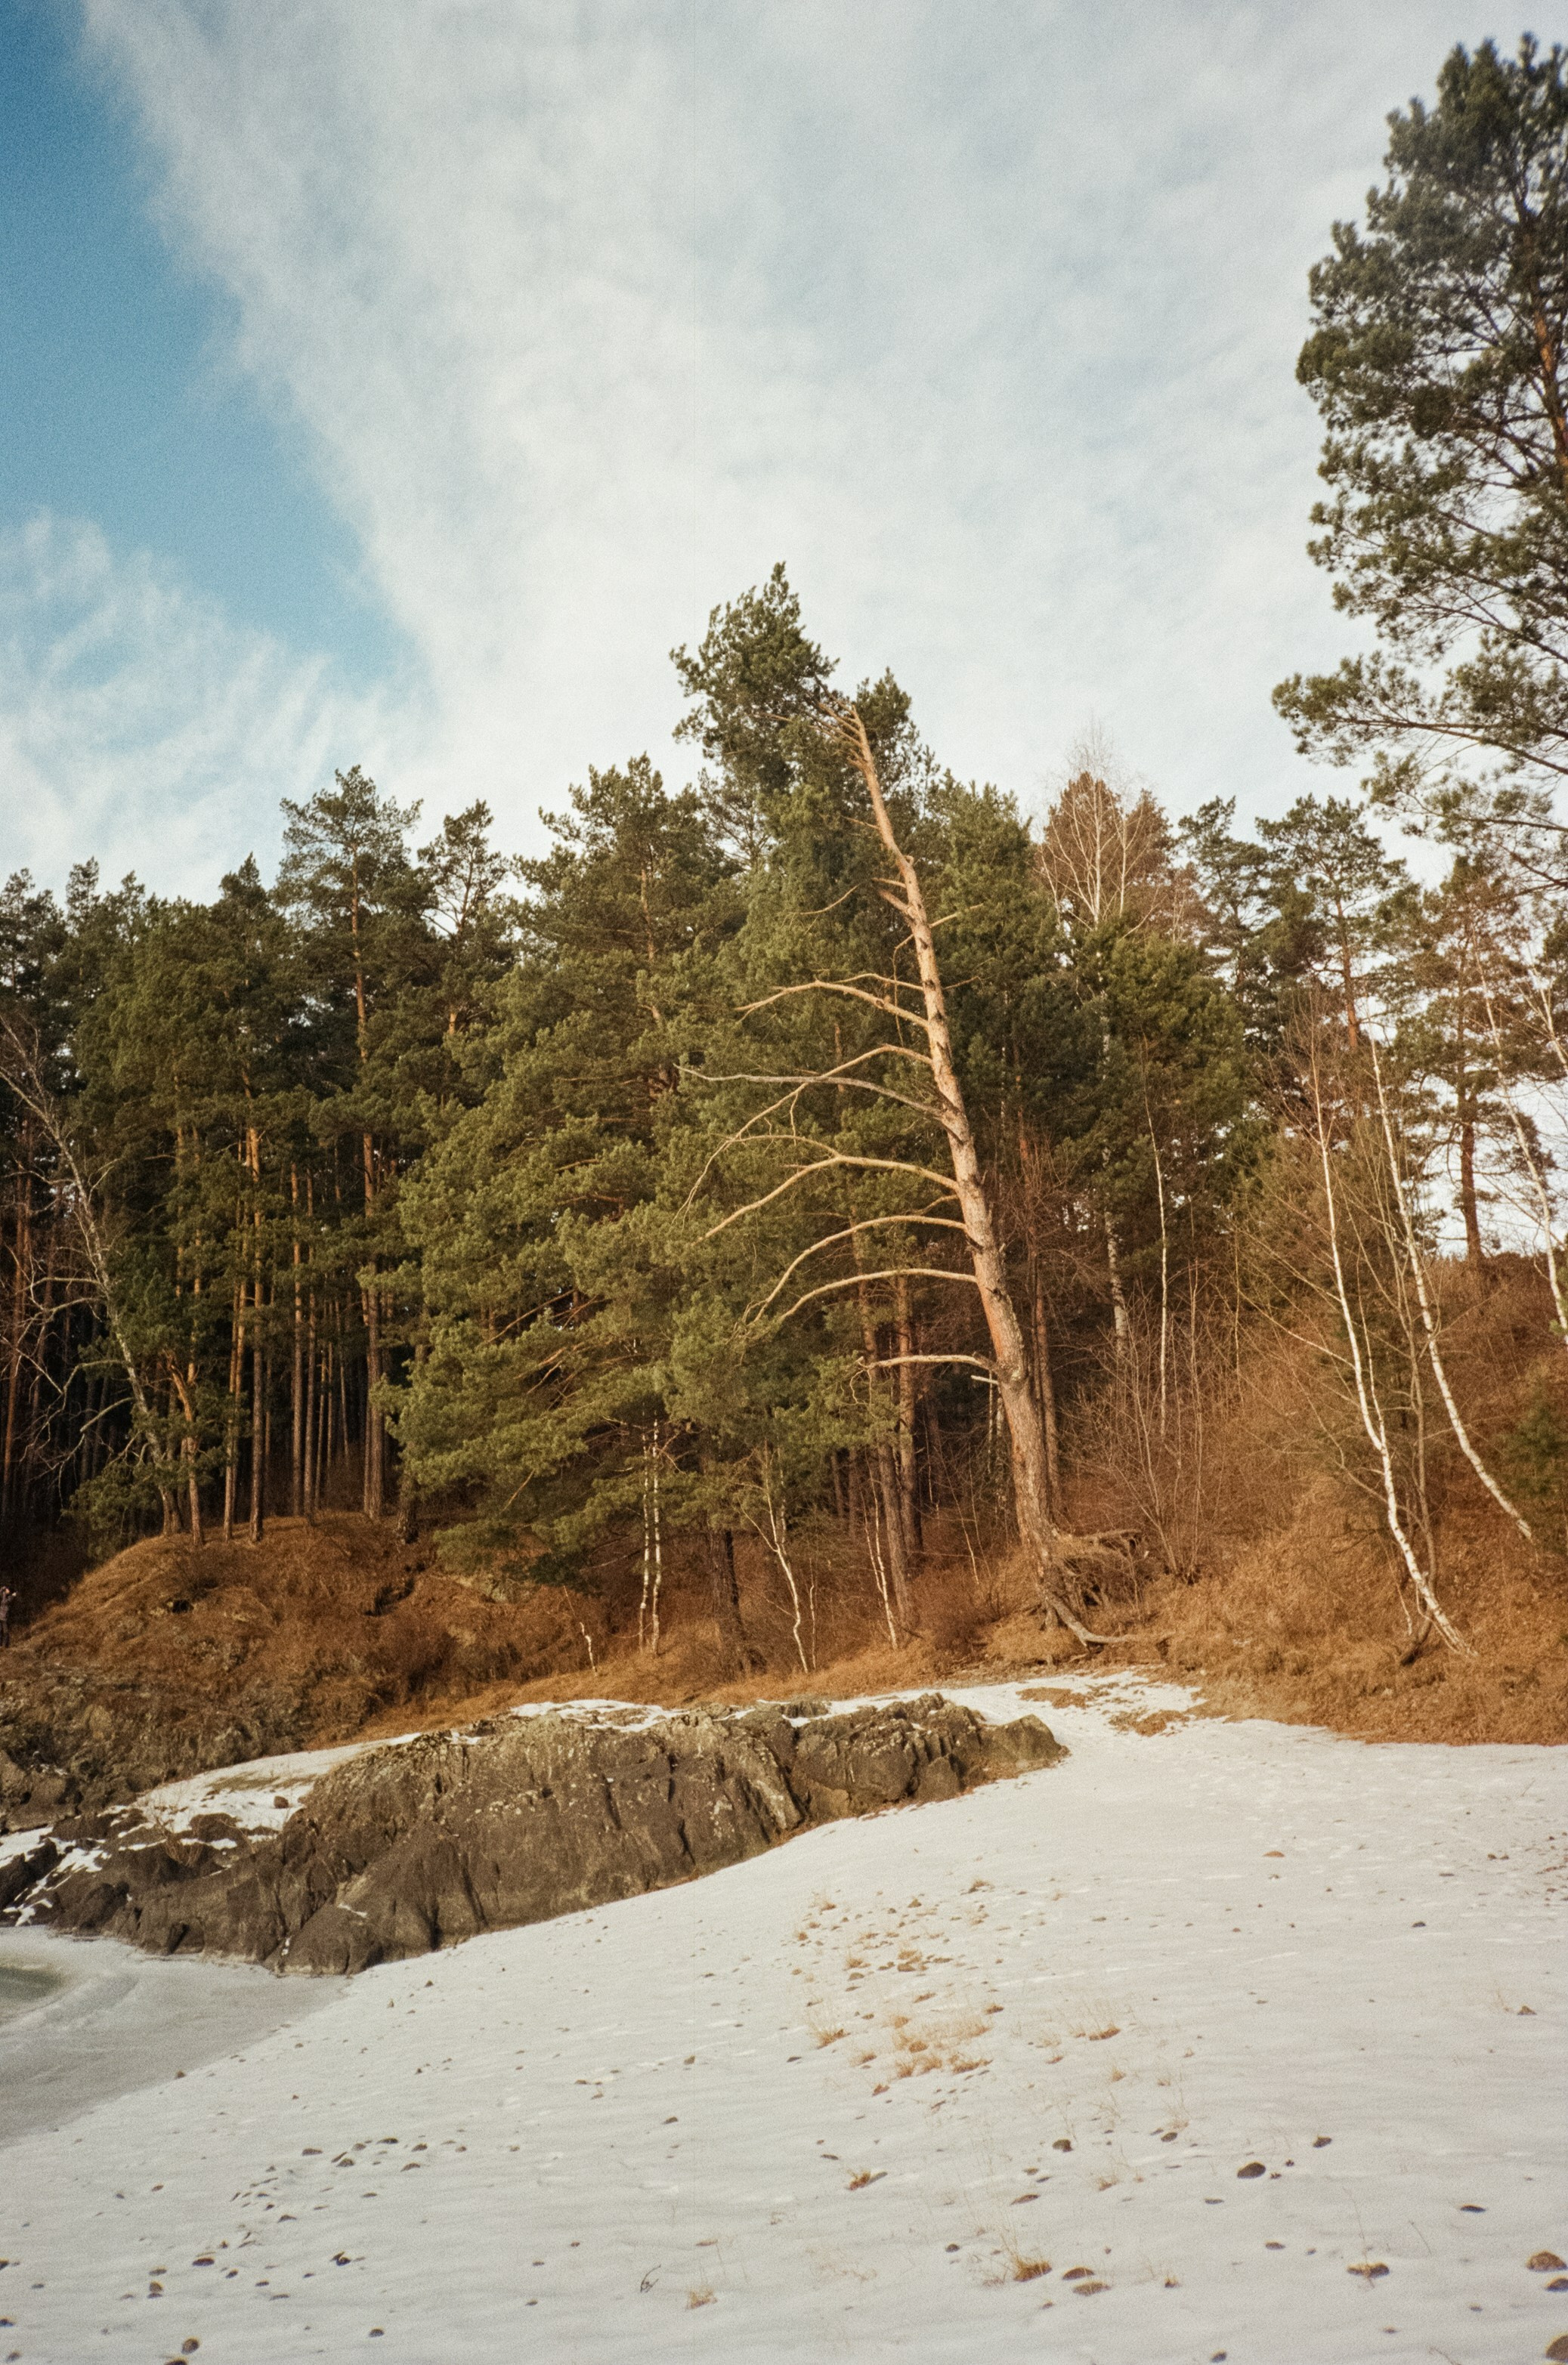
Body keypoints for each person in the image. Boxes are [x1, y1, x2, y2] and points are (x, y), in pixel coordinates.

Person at [0, 1584, 13, 1648]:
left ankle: (4, 1646)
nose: (8, 1590)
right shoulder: (3, 1596)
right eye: (7, 1590)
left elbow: (7, 1602)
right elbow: (6, 1601)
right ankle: (2, 1645)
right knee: (3, 1631)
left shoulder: (7, 1597)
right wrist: (3, 1589)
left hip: (4, 1617)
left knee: (4, 1632)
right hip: (2, 1617)